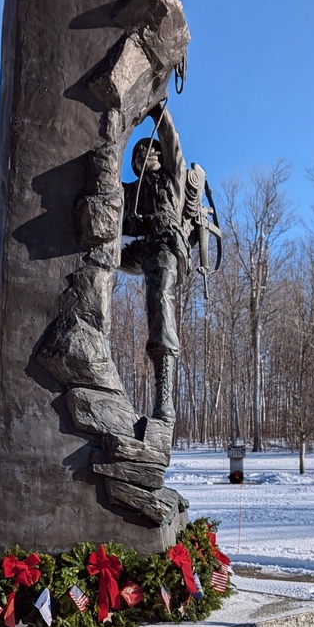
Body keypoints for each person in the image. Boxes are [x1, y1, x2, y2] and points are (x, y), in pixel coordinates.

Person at [120, 107, 190, 421]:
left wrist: (160, 113)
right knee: (93, 256)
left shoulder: (172, 181)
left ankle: (164, 389)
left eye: (148, 149)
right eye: (137, 153)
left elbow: (171, 142)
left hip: (164, 249)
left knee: (160, 296)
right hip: (135, 249)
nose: (143, 153)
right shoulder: (128, 192)